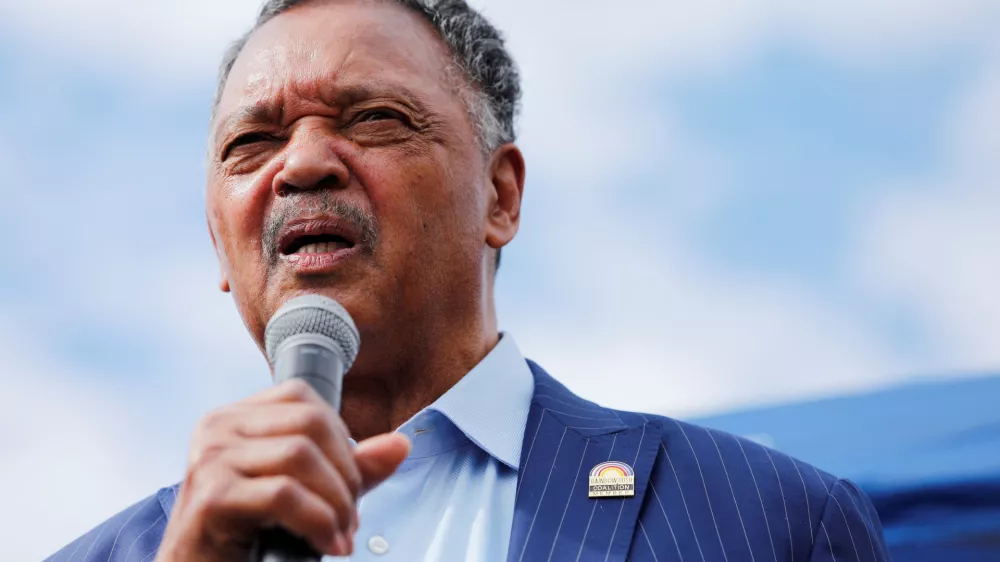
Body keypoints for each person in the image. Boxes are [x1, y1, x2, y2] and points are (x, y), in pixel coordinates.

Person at [46, 0, 891, 560]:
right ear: (216, 242)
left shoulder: (770, 522)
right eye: (252, 144)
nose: (301, 164)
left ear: (500, 195)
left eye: (373, 118)